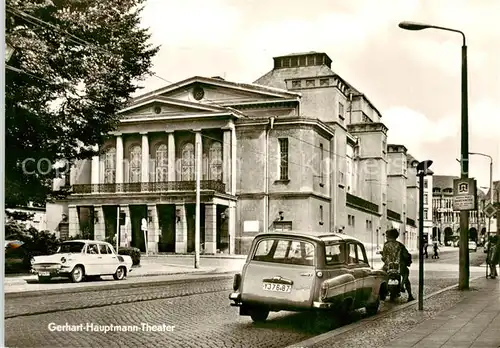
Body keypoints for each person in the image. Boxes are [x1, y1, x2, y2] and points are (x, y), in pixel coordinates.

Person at [381, 228, 415, 302]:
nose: (386, 237)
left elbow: (384, 257)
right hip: (399, 266)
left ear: (389, 236)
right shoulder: (400, 245)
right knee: (406, 274)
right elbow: (406, 255)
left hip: (388, 266)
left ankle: (384, 291)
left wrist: (384, 259)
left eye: (386, 236)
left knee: (382, 275)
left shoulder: (386, 245)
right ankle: (409, 294)